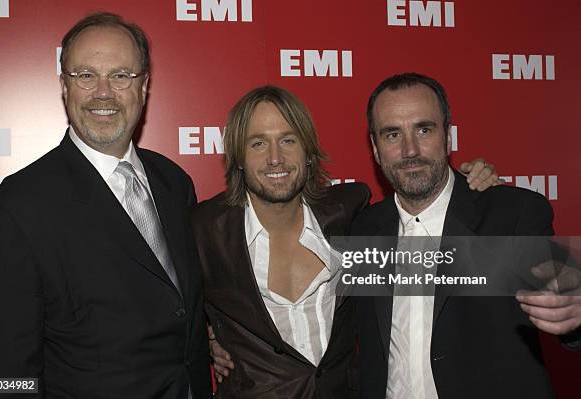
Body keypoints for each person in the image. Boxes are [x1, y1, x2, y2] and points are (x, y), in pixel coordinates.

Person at [193, 85, 499, 398]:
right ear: (238, 157)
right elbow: (171, 308)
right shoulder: (206, 230)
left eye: (288, 140)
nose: (275, 158)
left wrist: (475, 183)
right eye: (258, 143)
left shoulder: (350, 214)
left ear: (308, 151)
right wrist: (208, 340)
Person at [0, 12, 211, 399]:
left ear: (144, 86)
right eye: (85, 76)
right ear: (64, 86)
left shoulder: (174, 183)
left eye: (121, 76)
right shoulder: (13, 211)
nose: (103, 92)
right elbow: (1, 379)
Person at [353, 72, 581, 399]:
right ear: (375, 148)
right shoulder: (363, 229)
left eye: (424, 129)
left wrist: (573, 309)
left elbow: (560, 281)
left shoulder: (512, 214)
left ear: (448, 137)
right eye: (392, 134)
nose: (410, 149)